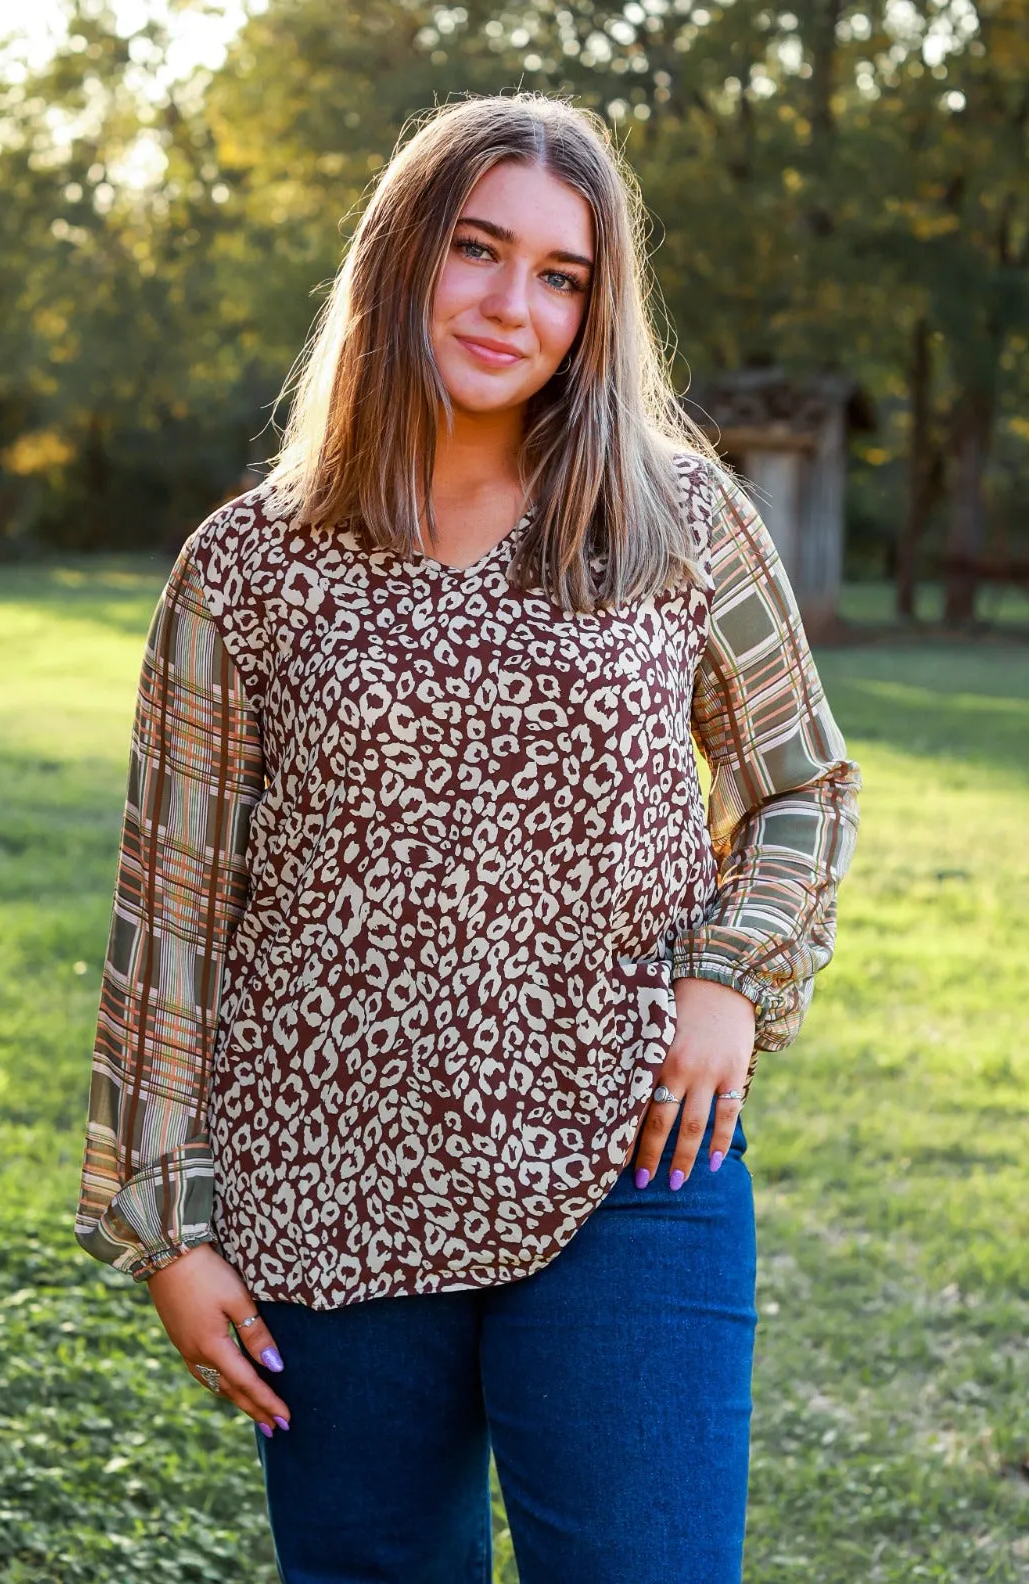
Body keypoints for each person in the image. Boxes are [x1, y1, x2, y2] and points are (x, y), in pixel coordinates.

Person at [74, 91, 861, 1584]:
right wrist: (169, 1226)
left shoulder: (674, 516)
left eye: (561, 275)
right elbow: (172, 914)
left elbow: (804, 786)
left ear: (596, 305)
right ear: (400, 259)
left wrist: (728, 981)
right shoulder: (247, 569)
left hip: (636, 1157)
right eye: (478, 251)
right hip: (325, 1178)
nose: (515, 305)